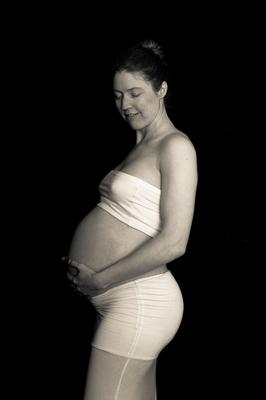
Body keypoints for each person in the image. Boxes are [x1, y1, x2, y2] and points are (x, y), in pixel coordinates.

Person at [63, 39, 198, 400]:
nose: (125, 105)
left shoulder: (176, 146)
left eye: (135, 93)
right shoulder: (141, 147)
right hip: (121, 299)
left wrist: (100, 279)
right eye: (118, 95)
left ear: (162, 89)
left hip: (140, 300)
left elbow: (174, 242)